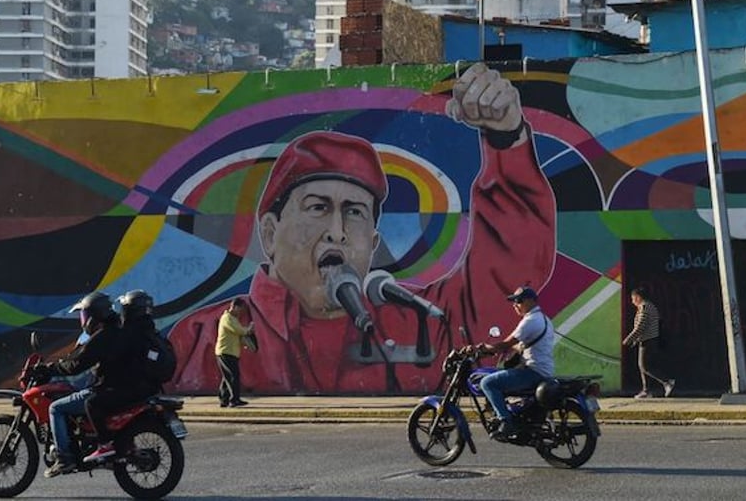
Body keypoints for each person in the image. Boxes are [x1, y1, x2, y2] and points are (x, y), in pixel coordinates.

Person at [167, 62, 557, 395]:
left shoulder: (421, 320)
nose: (337, 231)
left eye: (354, 212)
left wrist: (506, 139)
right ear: (269, 233)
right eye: (318, 207)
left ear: (372, 243)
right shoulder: (198, 338)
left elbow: (507, 269)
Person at [41, 292, 156, 477]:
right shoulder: (119, 332)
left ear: (93, 316)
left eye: (85, 315)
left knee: (56, 408)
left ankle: (65, 458)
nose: (83, 320)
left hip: (112, 388)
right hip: (130, 387)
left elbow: (77, 364)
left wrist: (51, 369)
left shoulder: (103, 337)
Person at [471, 285, 555, 437]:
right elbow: (519, 346)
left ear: (530, 301)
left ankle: (506, 421)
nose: (515, 305)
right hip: (543, 371)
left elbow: (506, 344)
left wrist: (483, 348)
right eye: (514, 301)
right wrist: (492, 351)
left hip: (532, 372)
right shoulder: (544, 319)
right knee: (500, 376)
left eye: (519, 301)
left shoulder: (530, 321)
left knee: (487, 383)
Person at [623, 286, 674, 399]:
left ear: (638, 297)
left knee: (645, 366)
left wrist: (628, 339)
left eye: (633, 298)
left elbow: (640, 327)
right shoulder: (650, 306)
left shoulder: (645, 308)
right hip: (648, 339)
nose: (632, 301)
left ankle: (667, 382)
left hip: (648, 340)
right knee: (643, 366)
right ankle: (646, 390)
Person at [215, 297, 255, 407]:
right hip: (226, 352)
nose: (241, 312)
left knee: (227, 377)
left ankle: (224, 400)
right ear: (235, 307)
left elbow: (236, 335)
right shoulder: (227, 318)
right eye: (241, 309)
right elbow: (240, 330)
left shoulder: (233, 319)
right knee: (233, 376)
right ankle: (234, 400)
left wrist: (245, 343)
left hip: (230, 352)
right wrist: (249, 329)